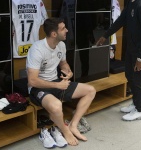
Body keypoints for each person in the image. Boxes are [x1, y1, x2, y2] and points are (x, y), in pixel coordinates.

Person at [26, 18, 96, 146]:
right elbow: (32, 81)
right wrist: (58, 85)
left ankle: (73, 125)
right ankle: (65, 130)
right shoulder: (37, 49)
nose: (67, 30)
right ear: (54, 34)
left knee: (90, 90)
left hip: (57, 82)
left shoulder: (61, 45)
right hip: (38, 88)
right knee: (57, 105)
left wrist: (68, 72)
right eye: (63, 28)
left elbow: (63, 64)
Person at [96, 0, 141, 121]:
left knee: (138, 79)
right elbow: (120, 21)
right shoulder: (131, 3)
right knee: (129, 75)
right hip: (131, 48)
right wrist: (105, 35)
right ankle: (135, 103)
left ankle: (139, 110)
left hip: (140, 51)